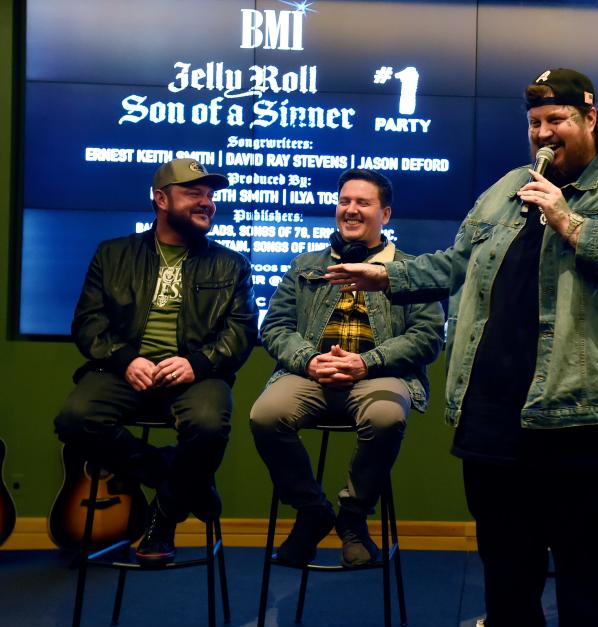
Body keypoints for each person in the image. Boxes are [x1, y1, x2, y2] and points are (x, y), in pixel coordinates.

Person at [325, 69, 598, 627]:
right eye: (535, 123)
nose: (544, 134)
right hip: (495, 402)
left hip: (597, 409)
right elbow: (456, 264)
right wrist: (384, 277)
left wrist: (569, 219)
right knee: (505, 543)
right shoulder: (504, 191)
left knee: (593, 547)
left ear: (590, 118)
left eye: (557, 120)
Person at [54, 158, 258, 565]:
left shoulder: (231, 263)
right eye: (193, 194)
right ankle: (176, 475)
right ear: (161, 199)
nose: (207, 203)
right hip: (123, 372)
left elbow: (241, 332)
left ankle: (162, 520)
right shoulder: (112, 255)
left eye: (210, 195)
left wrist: (197, 363)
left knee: (207, 425)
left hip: (197, 375)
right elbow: (89, 322)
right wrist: (126, 359)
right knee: (75, 419)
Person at [249, 169, 444, 568]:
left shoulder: (412, 270)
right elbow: (275, 326)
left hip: (379, 376)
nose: (350, 210)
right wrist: (309, 359)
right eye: (344, 201)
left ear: (385, 214)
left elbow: (428, 336)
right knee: (265, 415)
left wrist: (366, 362)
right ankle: (312, 512)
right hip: (310, 374)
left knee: (387, 417)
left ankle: (353, 519)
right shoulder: (306, 265)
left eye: (363, 203)